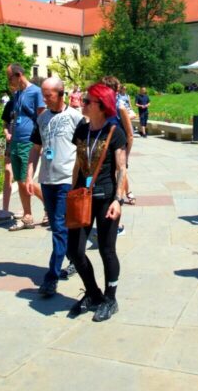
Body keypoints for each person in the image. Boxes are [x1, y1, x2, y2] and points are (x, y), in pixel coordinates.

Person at [66, 83, 127, 322]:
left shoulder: (115, 132)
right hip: (82, 196)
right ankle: (93, 293)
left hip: (106, 198)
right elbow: (78, 164)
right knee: (74, 250)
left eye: (87, 101)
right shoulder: (82, 130)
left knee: (106, 249)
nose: (82, 103)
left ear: (102, 106)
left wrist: (118, 200)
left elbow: (121, 169)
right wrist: (72, 191)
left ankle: (110, 299)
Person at [26, 78, 84, 296]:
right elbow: (35, 148)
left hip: (66, 179)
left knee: (59, 227)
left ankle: (51, 277)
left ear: (61, 94)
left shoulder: (75, 118)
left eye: (48, 95)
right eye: (43, 94)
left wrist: (83, 180)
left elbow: (83, 150)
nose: (44, 99)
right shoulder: (42, 118)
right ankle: (75, 258)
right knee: (59, 225)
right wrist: (29, 175)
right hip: (47, 179)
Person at [7, 64, 47, 230]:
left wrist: (41, 142)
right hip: (16, 141)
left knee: (26, 180)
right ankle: (27, 215)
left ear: (18, 75)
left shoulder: (36, 92)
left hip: (29, 141)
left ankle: (49, 207)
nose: (9, 81)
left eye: (10, 77)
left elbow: (42, 117)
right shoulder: (17, 94)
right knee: (19, 180)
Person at [101, 76, 135, 210]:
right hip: (103, 145)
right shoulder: (100, 106)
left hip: (118, 146)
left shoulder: (120, 107)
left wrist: (126, 155)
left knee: (120, 170)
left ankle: (120, 197)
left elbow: (130, 134)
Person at [0, 96, 21, 221]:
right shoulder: (10, 104)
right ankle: (5, 209)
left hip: (24, 144)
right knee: (7, 173)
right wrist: (7, 134)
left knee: (22, 178)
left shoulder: (29, 101)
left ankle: (43, 207)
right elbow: (5, 124)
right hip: (10, 144)